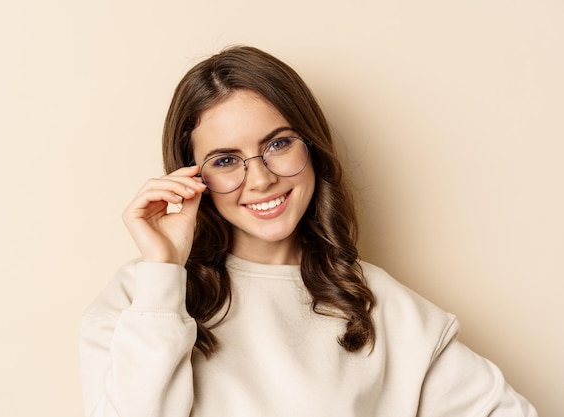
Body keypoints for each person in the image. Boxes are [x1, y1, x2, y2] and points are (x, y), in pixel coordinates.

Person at [79, 46, 537, 417]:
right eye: (224, 160)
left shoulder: (384, 308)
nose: (260, 180)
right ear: (191, 175)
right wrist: (163, 274)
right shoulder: (137, 300)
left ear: (312, 146)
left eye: (278, 144)